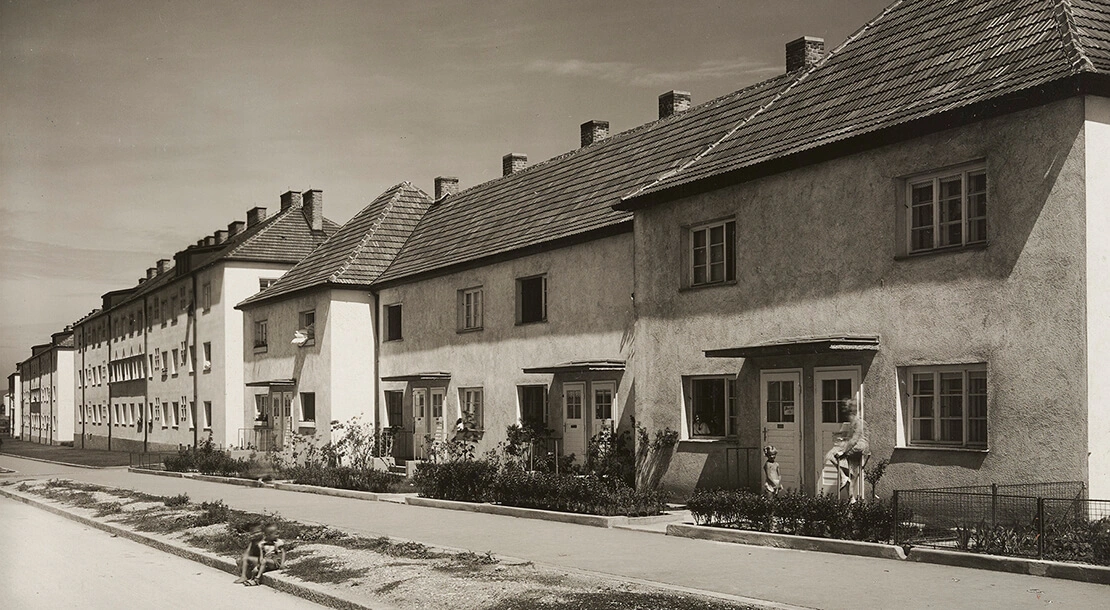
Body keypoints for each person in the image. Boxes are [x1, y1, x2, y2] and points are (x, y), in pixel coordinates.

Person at [820, 399, 870, 500]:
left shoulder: (859, 422)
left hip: (859, 448)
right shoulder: (853, 422)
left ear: (853, 411)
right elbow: (850, 438)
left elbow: (855, 439)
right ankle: (851, 498)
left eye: (849, 412)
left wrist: (843, 450)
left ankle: (844, 478)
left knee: (833, 454)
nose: (848, 415)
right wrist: (843, 440)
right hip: (854, 447)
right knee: (849, 474)